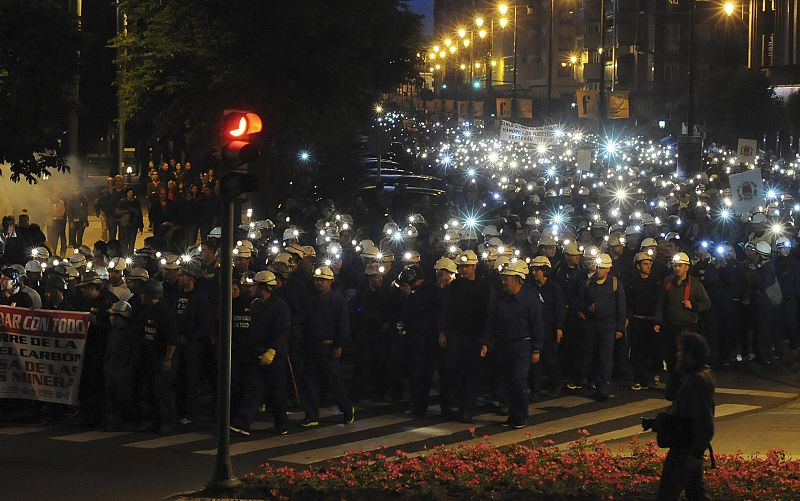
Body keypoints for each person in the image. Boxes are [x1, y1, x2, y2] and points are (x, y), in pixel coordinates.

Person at [480, 260, 544, 429]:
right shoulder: (502, 298)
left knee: (518, 379)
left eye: (507, 278)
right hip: (504, 345)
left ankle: (521, 415)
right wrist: (486, 342)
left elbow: (537, 323)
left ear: (516, 279)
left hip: (523, 345)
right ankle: (513, 415)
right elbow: (491, 321)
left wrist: (537, 348)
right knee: (508, 380)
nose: (504, 281)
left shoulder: (530, 297)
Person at [230, 271, 290, 436]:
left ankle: (281, 423)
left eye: (256, 285)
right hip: (256, 353)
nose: (252, 287)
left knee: (278, 392)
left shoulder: (280, 306)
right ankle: (242, 423)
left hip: (274, 356)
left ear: (264, 287)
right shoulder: (255, 304)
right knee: (253, 389)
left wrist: (273, 350)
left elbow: (282, 332)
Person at [657, 332, 715, 501]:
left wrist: (696, 453)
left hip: (685, 447)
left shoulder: (699, 380)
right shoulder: (693, 375)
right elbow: (671, 395)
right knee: (696, 493)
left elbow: (705, 420)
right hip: (687, 443)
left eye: (681, 351)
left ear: (691, 354)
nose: (678, 355)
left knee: (668, 493)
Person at [438, 250, 490, 423]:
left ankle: (468, 408)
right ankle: (457, 405)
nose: (464, 270)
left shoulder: (484, 287)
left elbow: (488, 315)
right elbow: (445, 309)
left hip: (474, 337)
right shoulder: (455, 287)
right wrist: (442, 331)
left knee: (472, 374)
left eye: (467, 266)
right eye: (462, 267)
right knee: (454, 371)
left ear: (474, 266)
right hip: (456, 336)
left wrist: (485, 340)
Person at [300, 266, 354, 427]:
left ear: (330, 281)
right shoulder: (311, 301)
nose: (319, 283)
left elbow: (343, 325)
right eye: (317, 280)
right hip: (312, 346)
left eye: (322, 280)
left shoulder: (338, 301)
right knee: (310, 382)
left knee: (335, 381)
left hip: (329, 347)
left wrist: (339, 345)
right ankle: (311, 415)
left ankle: (347, 410)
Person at [577, 253, 626, 401]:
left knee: (605, 356)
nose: (599, 270)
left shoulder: (615, 284)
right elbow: (578, 302)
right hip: (592, 324)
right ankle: (592, 381)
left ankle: (603, 388)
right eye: (597, 267)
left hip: (608, 325)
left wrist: (620, 328)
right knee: (591, 354)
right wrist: (587, 308)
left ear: (608, 269)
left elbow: (621, 307)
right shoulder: (587, 283)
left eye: (602, 268)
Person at [654, 253, 711, 373]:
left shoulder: (695, 285)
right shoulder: (668, 283)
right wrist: (658, 321)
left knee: (688, 357)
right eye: (675, 266)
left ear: (687, 267)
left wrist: (693, 306)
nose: (677, 268)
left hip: (688, 328)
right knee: (671, 356)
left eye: (680, 266)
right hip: (671, 327)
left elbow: (706, 303)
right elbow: (661, 302)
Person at [173, 262, 212, 426]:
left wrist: (191, 338)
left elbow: (204, 323)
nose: (179, 278)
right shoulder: (178, 295)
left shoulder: (200, 297)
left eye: (182, 275)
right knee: (179, 379)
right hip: (179, 343)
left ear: (190, 277)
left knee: (191, 379)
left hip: (192, 345)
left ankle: (190, 413)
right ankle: (179, 411)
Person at [139, 279, 179, 434]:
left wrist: (168, 358)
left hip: (163, 357)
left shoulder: (165, 312)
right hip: (152, 357)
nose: (141, 297)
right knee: (151, 391)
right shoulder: (148, 309)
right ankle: (154, 421)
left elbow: (172, 338)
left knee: (164, 392)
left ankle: (168, 422)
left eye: (144, 294)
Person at [529, 256, 565, 399]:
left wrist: (559, 327)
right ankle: (535, 389)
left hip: (550, 327)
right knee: (535, 360)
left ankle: (556, 384)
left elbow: (560, 308)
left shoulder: (554, 288)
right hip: (536, 328)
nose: (534, 273)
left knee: (551, 358)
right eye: (533, 270)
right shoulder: (531, 287)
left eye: (537, 270)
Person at [103, 301, 142, 431]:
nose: (110, 317)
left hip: (124, 369)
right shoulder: (113, 331)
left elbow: (135, 353)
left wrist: (129, 369)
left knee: (124, 397)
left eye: (113, 315)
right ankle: (114, 421)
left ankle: (128, 421)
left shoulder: (131, 333)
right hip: (112, 367)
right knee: (111, 396)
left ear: (120, 317)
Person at [116, 187, 144, 255]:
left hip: (134, 224)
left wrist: (141, 224)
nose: (130, 194)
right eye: (129, 192)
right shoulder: (122, 201)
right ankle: (124, 255)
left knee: (132, 241)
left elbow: (139, 213)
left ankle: (130, 255)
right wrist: (127, 211)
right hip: (125, 224)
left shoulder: (136, 201)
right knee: (124, 241)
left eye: (131, 192)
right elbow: (118, 212)